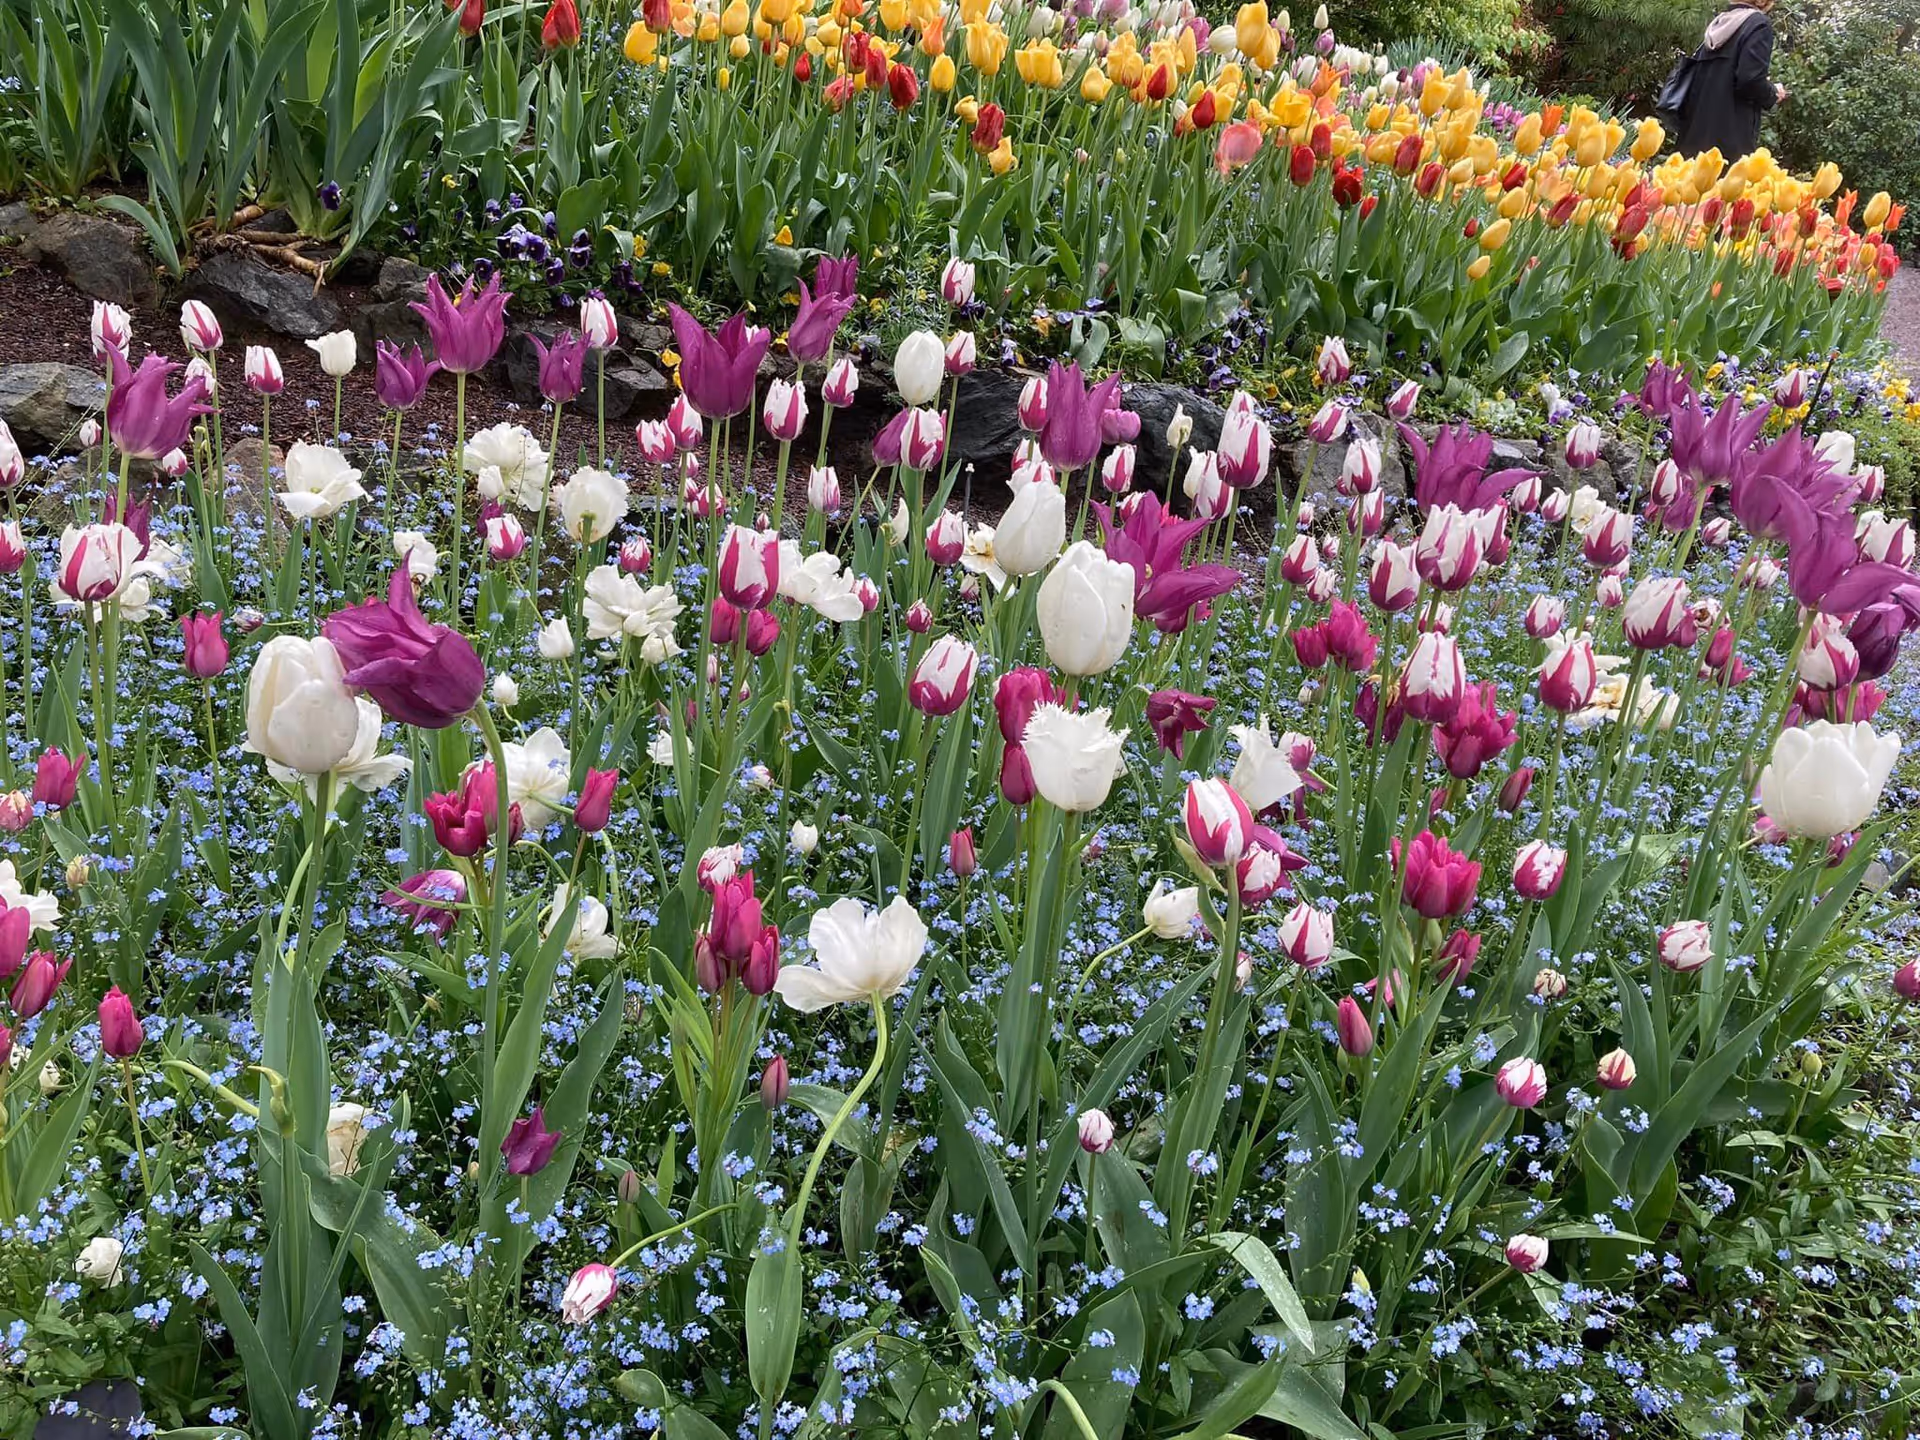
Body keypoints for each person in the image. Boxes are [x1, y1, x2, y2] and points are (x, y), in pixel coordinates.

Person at [1676, 0, 1789, 160]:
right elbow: (1750, 80)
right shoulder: (1757, 25)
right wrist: (1773, 92)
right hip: (1728, 141)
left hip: (1694, 134)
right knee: (1724, 183)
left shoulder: (1718, 24)